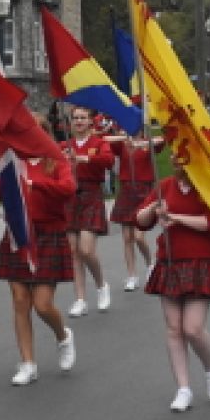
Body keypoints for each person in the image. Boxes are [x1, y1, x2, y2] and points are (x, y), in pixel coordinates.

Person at [0, 114, 78, 386]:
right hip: (18, 233)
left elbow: (68, 189)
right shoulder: (14, 162)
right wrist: (6, 178)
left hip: (48, 235)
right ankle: (28, 363)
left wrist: (36, 184)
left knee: (42, 304)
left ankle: (63, 336)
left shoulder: (57, 159)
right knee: (19, 300)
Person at [135, 166, 210, 413]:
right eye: (175, 156)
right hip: (170, 261)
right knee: (174, 328)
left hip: (201, 261)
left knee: (193, 328)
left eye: (182, 155)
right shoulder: (165, 186)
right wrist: (153, 209)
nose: (177, 161)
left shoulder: (208, 183)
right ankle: (183, 388)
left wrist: (177, 218)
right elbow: (141, 221)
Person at [62, 106, 115, 317]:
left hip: (91, 196)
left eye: (83, 118)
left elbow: (109, 161)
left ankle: (102, 285)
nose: (79, 121)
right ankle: (80, 299)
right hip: (70, 198)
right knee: (74, 251)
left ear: (91, 121)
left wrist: (84, 159)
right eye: (75, 118)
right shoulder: (65, 145)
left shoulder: (98, 143)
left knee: (86, 250)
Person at [107, 128, 164, 291]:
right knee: (127, 237)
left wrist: (140, 143)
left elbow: (162, 140)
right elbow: (103, 140)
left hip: (144, 190)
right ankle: (132, 275)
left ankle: (150, 264)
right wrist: (124, 137)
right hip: (126, 190)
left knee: (139, 236)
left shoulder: (149, 143)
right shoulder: (122, 142)